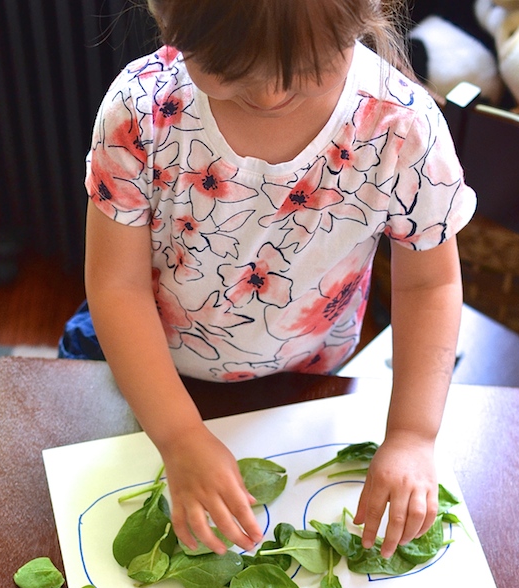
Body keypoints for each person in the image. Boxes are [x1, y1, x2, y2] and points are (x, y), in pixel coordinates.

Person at [76, 0, 476, 559]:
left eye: (305, 72)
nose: (268, 96)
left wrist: (413, 434)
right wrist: (180, 436)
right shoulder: (141, 112)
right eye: (232, 72)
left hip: (306, 376)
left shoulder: (401, 128)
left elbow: (429, 285)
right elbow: (116, 286)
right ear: (166, 17)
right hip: (152, 369)